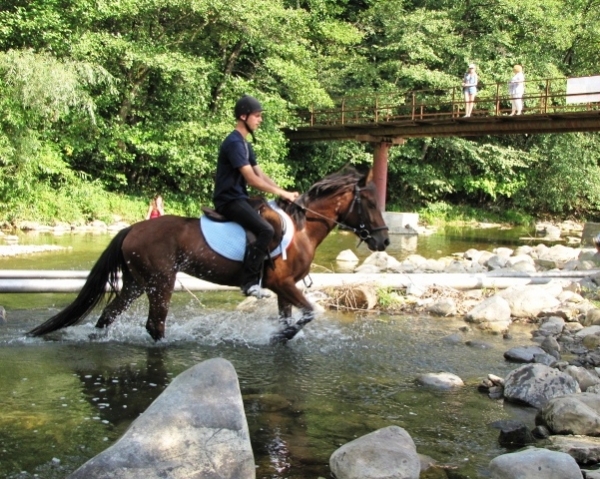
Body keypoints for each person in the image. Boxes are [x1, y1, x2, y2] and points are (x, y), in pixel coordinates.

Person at [213, 94, 299, 298]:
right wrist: (281, 192)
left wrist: (283, 192)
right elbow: (251, 180)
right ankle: (249, 282)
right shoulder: (233, 142)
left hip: (240, 198)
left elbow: (260, 174)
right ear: (244, 116)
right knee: (266, 230)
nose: (260, 120)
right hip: (229, 201)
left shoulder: (245, 144)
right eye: (257, 116)